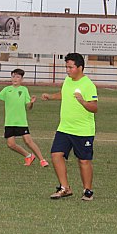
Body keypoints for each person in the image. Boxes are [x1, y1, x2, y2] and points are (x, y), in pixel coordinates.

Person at [41, 52, 98, 201]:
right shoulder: (67, 80)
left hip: (83, 130)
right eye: (66, 67)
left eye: (70, 67)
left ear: (80, 67)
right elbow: (64, 94)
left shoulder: (88, 85)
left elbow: (94, 107)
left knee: (83, 160)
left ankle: (88, 191)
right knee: (55, 154)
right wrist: (51, 97)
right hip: (64, 128)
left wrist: (83, 102)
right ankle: (64, 188)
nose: (67, 70)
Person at [0, 68, 49, 167]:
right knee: (11, 144)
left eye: (18, 77)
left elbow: (28, 106)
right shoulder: (7, 89)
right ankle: (28, 156)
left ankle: (42, 160)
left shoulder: (24, 90)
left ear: (22, 79)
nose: (15, 78)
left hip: (21, 121)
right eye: (13, 76)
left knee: (28, 141)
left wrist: (31, 103)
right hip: (9, 122)